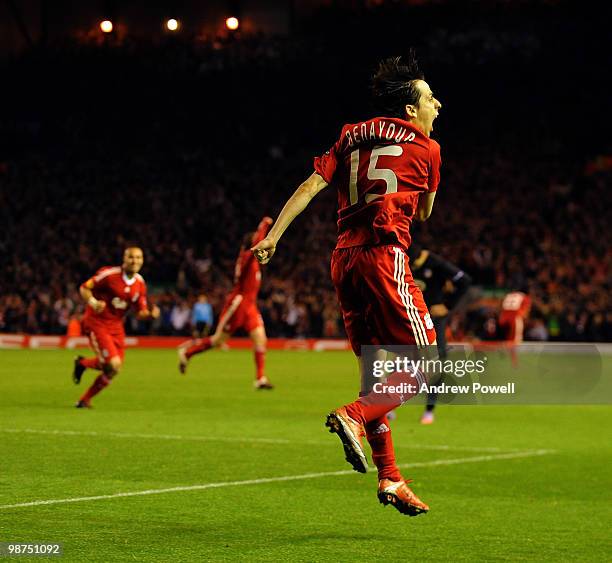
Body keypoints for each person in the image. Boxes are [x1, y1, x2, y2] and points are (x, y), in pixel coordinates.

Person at [252, 53, 442, 516]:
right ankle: (351, 417)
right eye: (431, 99)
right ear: (411, 111)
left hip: (344, 260)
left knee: (373, 377)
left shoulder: (351, 134)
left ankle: (390, 478)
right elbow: (424, 213)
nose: (438, 104)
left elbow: (311, 185)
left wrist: (274, 236)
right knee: (428, 364)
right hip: (384, 256)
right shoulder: (428, 149)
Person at [178, 217, 274, 390]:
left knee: (261, 339)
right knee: (217, 340)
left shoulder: (252, 263)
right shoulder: (246, 258)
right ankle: (187, 353)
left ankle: (260, 378)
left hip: (250, 306)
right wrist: (265, 225)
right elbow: (258, 242)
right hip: (238, 304)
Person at [72, 247, 160, 407]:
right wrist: (93, 302)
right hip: (97, 322)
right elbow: (84, 287)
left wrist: (150, 315)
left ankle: (84, 391)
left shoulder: (140, 283)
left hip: (116, 326)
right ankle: (83, 381)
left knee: (113, 369)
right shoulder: (109, 275)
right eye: (131, 257)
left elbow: (140, 312)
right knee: (113, 364)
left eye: (139, 258)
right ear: (124, 259)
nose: (135, 261)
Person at [407, 243, 472, 424]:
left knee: (436, 362)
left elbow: (465, 281)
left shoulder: (436, 263)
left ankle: (429, 409)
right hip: (410, 317)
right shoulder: (404, 260)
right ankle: (389, 406)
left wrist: (448, 305)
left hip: (433, 320)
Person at [499, 290, 532, 367]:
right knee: (515, 341)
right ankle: (514, 362)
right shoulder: (525, 297)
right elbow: (525, 313)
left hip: (503, 318)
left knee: (507, 339)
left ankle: (506, 353)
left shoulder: (509, 294)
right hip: (515, 318)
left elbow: (501, 306)